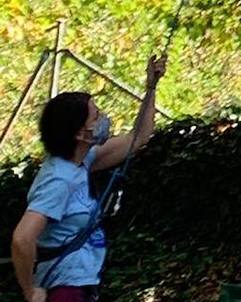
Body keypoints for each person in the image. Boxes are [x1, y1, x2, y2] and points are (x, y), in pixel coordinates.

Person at [10, 54, 166, 302]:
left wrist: (151, 87)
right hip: (63, 291)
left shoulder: (83, 161)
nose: (104, 119)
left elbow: (139, 137)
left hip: (80, 287)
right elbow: (22, 238)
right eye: (96, 116)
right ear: (80, 133)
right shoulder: (58, 180)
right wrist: (30, 291)